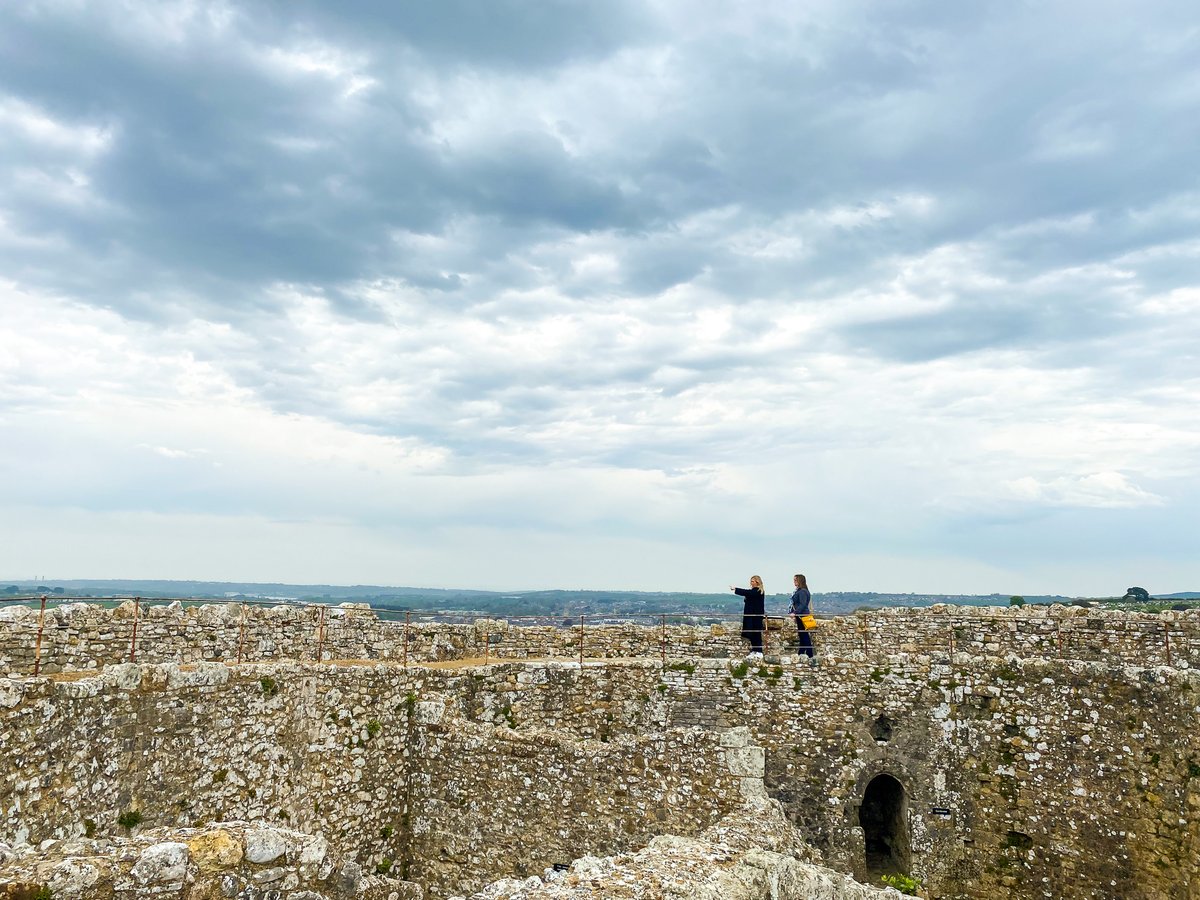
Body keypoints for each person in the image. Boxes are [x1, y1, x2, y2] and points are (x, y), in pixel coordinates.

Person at [730, 575, 766, 656]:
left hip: (756, 615)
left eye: (753, 581)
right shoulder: (754, 591)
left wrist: (736, 589)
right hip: (751, 615)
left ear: (757, 582)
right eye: (751, 581)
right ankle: (754, 650)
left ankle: (759, 651)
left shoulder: (758, 591)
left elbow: (747, 593)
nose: (751, 583)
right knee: (752, 633)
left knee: (756, 633)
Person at [789, 573, 815, 660]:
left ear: (800, 581)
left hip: (802, 615)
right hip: (801, 615)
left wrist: (795, 613)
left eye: (795, 580)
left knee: (804, 634)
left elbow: (803, 604)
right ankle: (801, 652)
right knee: (802, 634)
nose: (794, 582)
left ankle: (809, 653)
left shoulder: (802, 591)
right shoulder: (801, 591)